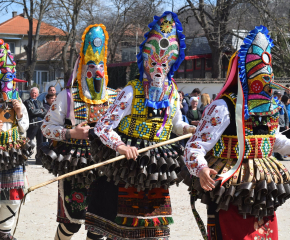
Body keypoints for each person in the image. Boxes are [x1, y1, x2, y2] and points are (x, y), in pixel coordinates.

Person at [86, 12, 196, 240]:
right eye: (154, 62)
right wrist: (121, 147)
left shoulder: (173, 92)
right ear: (145, 61)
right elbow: (103, 127)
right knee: (122, 226)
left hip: (157, 164)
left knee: (155, 228)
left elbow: (174, 123)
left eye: (164, 63)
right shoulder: (131, 91)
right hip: (127, 164)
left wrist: (186, 129)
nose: (158, 68)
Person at [184, 26, 290, 240]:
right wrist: (202, 169)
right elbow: (194, 146)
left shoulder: (270, 108)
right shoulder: (223, 107)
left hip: (261, 187)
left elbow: (273, 140)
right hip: (232, 185)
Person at [40, 24, 117, 240]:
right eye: (91, 67)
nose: (97, 73)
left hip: (105, 167)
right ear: (82, 67)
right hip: (77, 166)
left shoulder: (114, 97)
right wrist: (70, 134)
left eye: (100, 66)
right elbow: (46, 127)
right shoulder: (68, 96)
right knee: (72, 222)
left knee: (98, 225)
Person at [0, 40, 34, 240]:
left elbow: (25, 129)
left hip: (11, 156)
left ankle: (5, 233)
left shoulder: (16, 102)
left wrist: (20, 113)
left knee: (11, 199)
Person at [24, 87, 47, 164]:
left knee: (40, 142)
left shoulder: (40, 102)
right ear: (30, 93)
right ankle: (24, 158)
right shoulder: (27, 102)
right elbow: (31, 112)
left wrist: (40, 111)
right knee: (28, 142)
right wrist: (40, 111)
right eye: (32, 92)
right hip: (32, 125)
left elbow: (45, 112)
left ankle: (39, 159)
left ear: (38, 94)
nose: (34, 94)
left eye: (35, 93)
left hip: (40, 124)